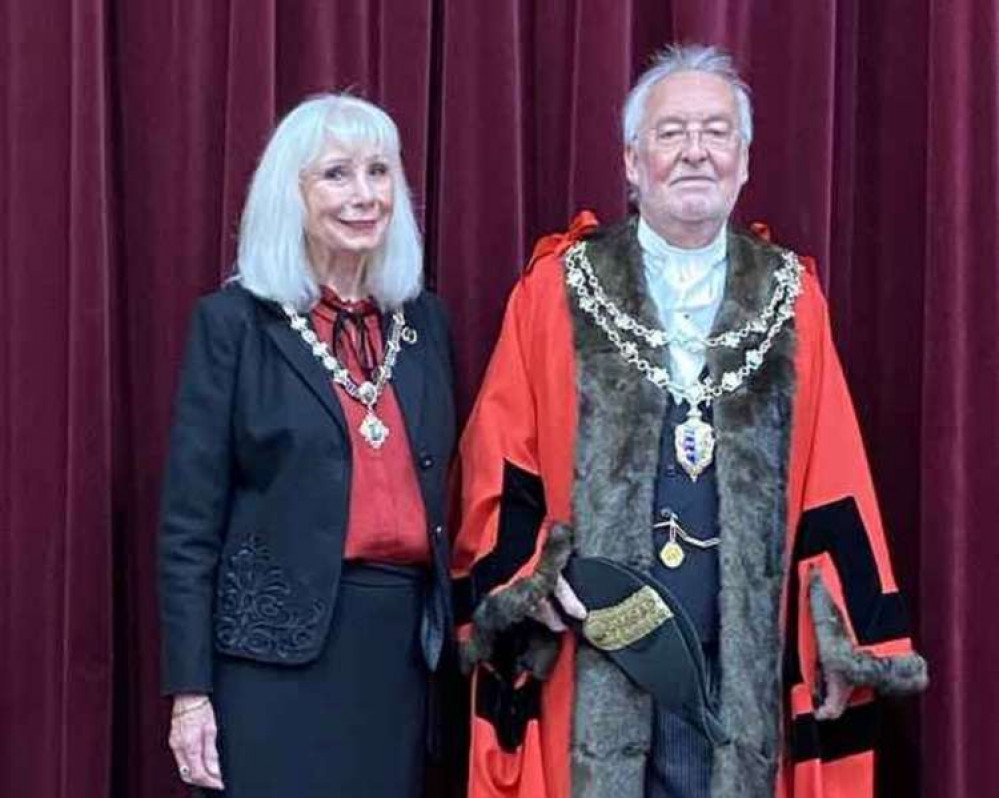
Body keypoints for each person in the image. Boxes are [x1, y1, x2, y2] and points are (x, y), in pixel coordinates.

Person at [451, 44, 927, 798]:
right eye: (671, 133)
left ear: (743, 161)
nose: (695, 151)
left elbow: (834, 485)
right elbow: (498, 466)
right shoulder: (554, 293)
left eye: (716, 132)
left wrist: (846, 638)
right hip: (591, 657)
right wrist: (523, 580)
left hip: (740, 665)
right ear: (632, 163)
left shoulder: (790, 298)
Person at [158, 93, 456, 798]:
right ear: (289, 193)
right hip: (271, 667)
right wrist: (189, 691)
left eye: (378, 173)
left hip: (401, 660)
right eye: (336, 175)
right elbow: (187, 525)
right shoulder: (233, 324)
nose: (364, 195)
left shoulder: (425, 326)